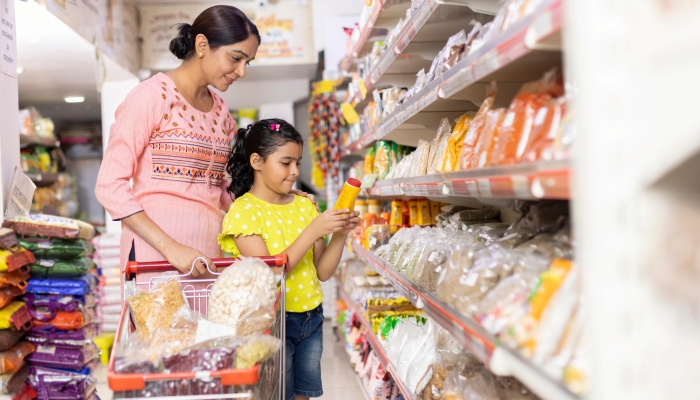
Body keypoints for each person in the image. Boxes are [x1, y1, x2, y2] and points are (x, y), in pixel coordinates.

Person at [95, 6, 314, 275]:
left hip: (207, 255)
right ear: (201, 44)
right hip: (156, 256)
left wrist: (277, 196)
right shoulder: (150, 97)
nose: (242, 71)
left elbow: (216, 188)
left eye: (248, 62)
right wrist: (171, 247)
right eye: (236, 58)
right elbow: (109, 186)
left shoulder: (221, 112)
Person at [218, 119, 360, 400]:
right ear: (257, 161)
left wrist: (340, 233)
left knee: (303, 395)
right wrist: (314, 230)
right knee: (275, 394)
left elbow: (322, 271)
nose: (295, 172)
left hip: (311, 318)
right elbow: (269, 275)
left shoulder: (304, 205)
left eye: (298, 162)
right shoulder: (242, 212)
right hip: (271, 322)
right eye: (286, 163)